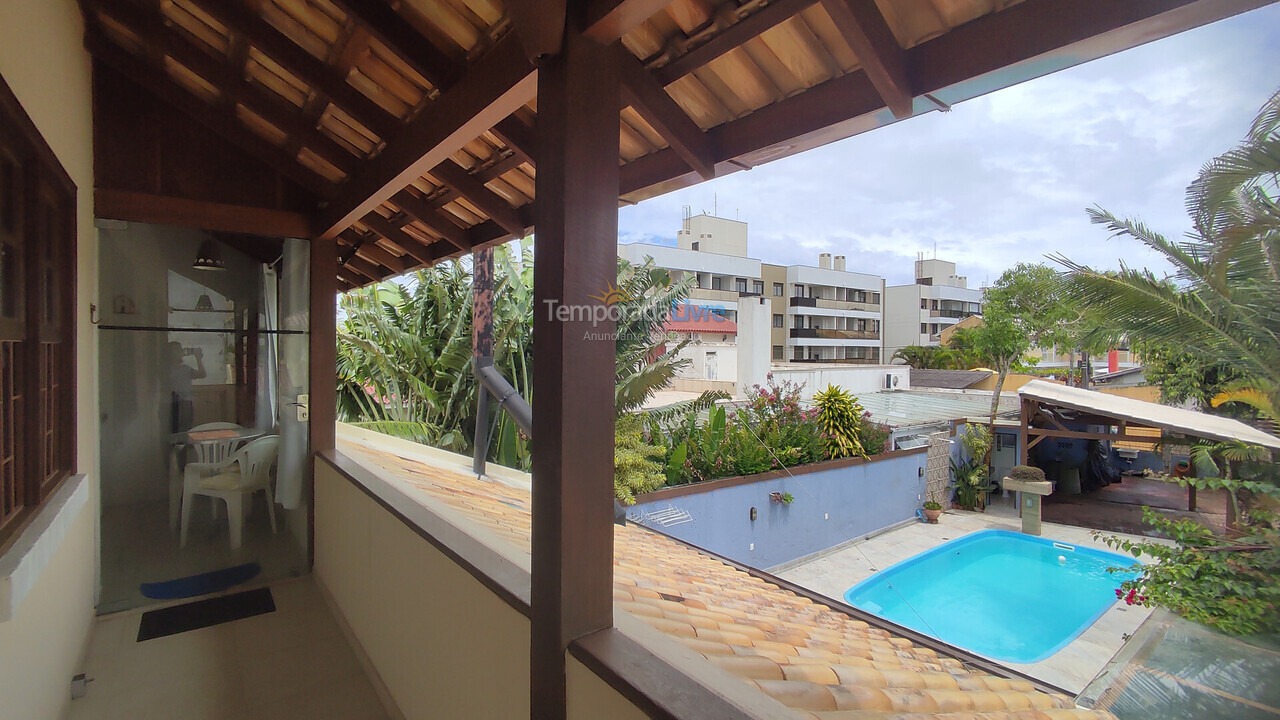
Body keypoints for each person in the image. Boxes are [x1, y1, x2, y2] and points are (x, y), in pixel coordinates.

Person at [168, 341, 206, 432]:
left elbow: (202, 374)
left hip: (185, 403)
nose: (181, 352)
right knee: (172, 429)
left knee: (186, 429)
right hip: (171, 403)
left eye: (180, 349)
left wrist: (198, 358)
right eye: (177, 350)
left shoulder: (185, 369)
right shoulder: (167, 369)